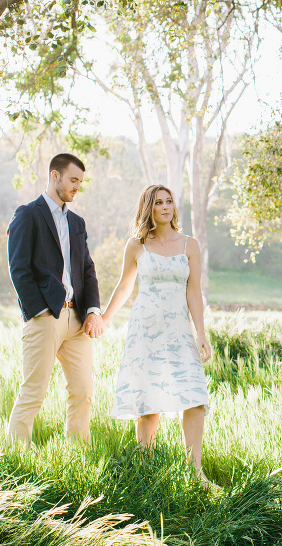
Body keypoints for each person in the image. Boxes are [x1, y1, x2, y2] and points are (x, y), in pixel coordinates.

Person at [101, 184, 213, 485]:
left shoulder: (190, 245)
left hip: (179, 330)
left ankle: (195, 472)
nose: (166, 206)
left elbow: (194, 290)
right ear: (148, 208)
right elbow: (125, 287)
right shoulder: (136, 245)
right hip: (145, 330)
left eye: (169, 201)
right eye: (159, 202)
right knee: (147, 402)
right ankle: (146, 472)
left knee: (194, 397)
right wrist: (104, 318)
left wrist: (201, 333)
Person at [6, 153, 104, 444]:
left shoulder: (77, 222)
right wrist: (39, 311)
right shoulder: (28, 214)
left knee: (83, 392)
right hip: (46, 317)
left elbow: (87, 269)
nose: (77, 187)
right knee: (34, 392)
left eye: (80, 182)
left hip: (77, 321)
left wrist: (93, 310)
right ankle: (16, 456)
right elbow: (18, 268)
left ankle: (78, 455)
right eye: (73, 180)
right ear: (55, 176)